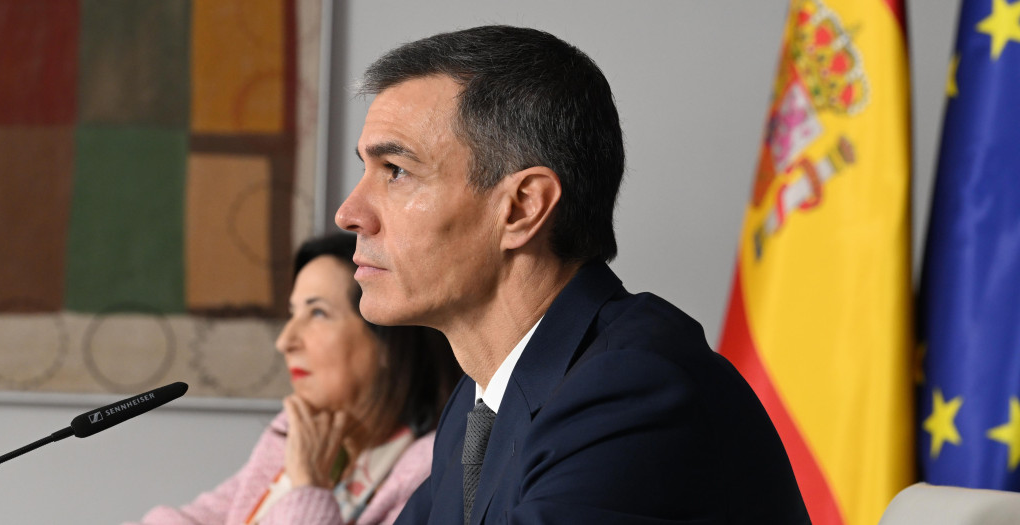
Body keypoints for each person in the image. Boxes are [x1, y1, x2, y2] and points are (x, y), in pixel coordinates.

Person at [335, 25, 811, 524]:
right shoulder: (477, 405)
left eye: (396, 170)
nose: (349, 213)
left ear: (522, 207)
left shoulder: (631, 391)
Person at [0, 232, 463, 525]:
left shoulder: (430, 471)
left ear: (390, 339)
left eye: (316, 313)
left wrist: (308, 488)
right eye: (290, 315)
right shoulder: (290, 435)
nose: (286, 340)